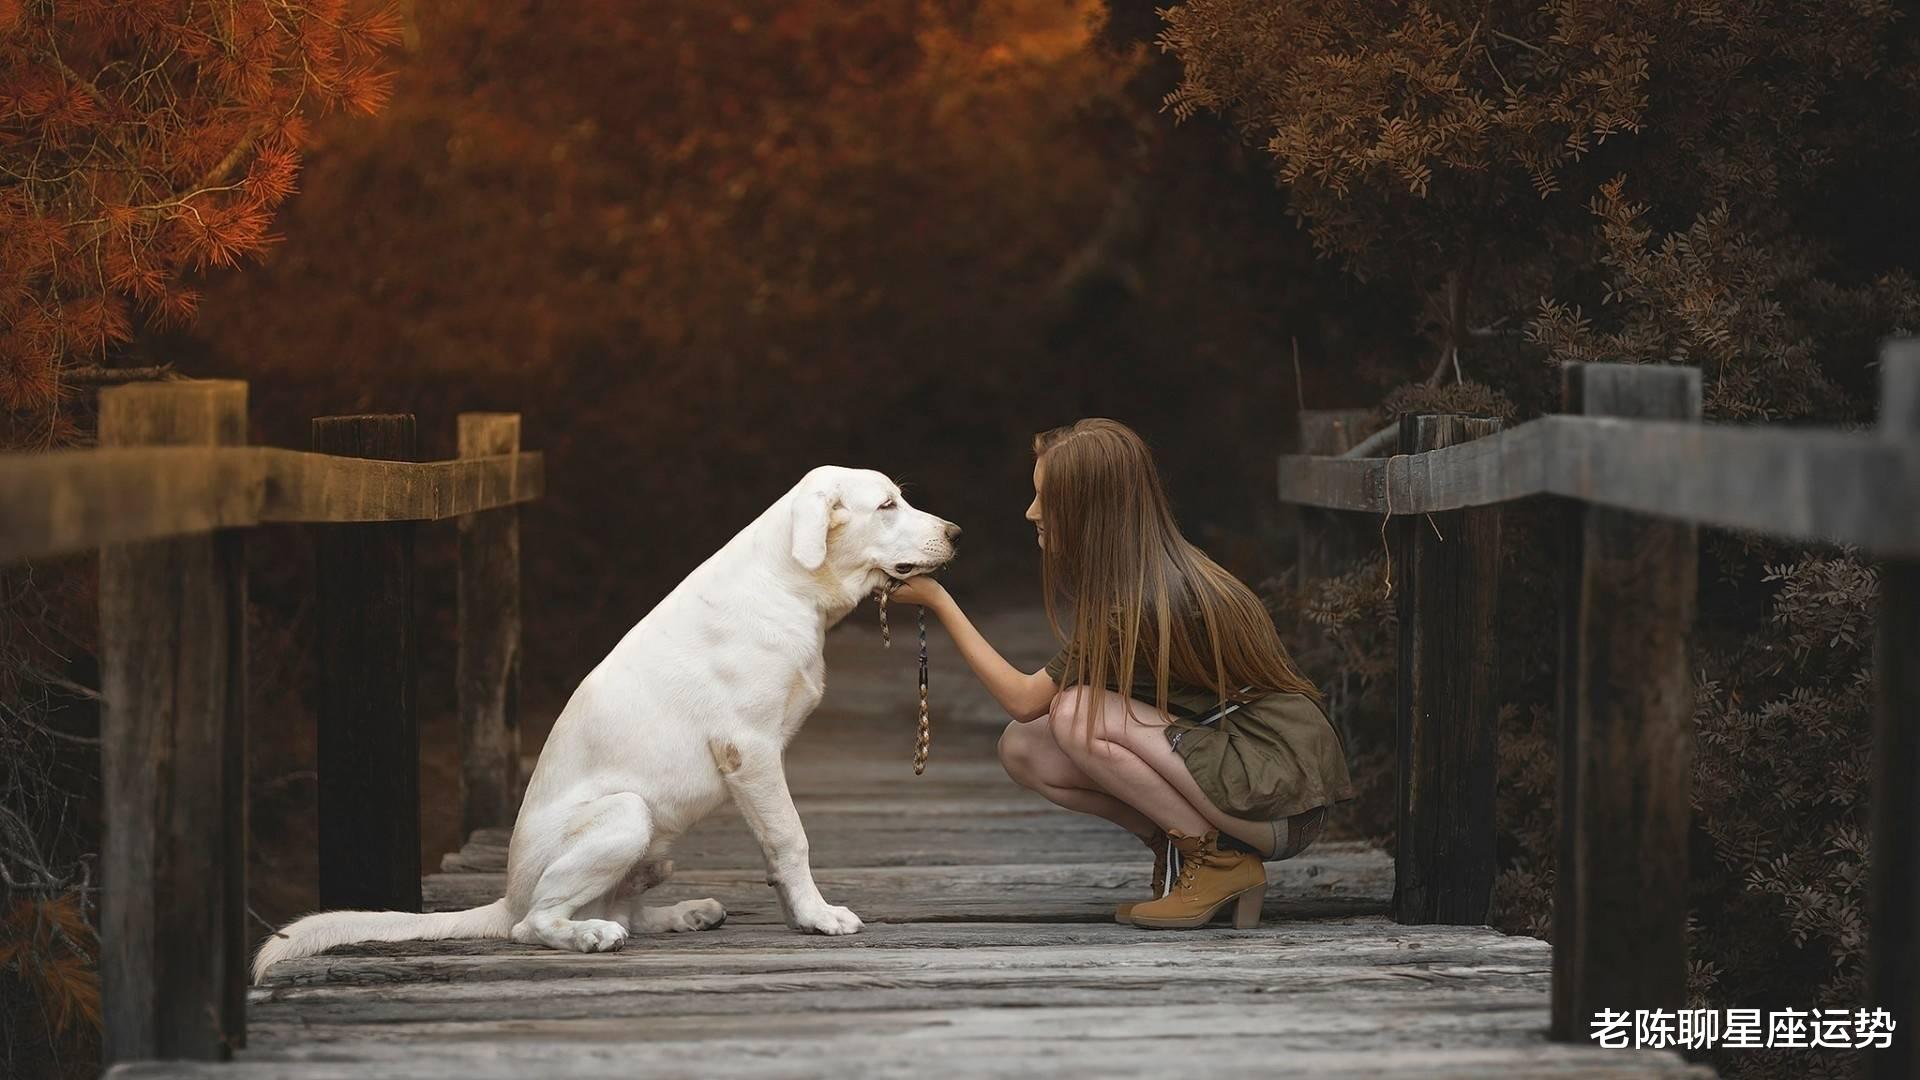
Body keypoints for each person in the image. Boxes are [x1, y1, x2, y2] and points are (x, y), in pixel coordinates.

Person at [887, 418, 1355, 929]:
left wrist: (938, 600)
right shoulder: (1138, 579)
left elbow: (1024, 699)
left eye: (1046, 497)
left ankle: (1215, 861)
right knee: (1024, 748)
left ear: (1091, 510)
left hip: (1281, 798)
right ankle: (1185, 855)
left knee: (1073, 713)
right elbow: (1025, 724)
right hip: (1249, 776)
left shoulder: (1146, 600)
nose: (1031, 511)